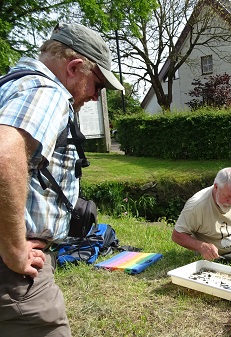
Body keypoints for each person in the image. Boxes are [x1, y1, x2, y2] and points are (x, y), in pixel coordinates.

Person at [0, 22, 123, 336]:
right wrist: (14, 250)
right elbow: (4, 156)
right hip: (14, 279)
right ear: (75, 67)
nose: (96, 96)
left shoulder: (12, 85)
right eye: (98, 85)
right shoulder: (48, 92)